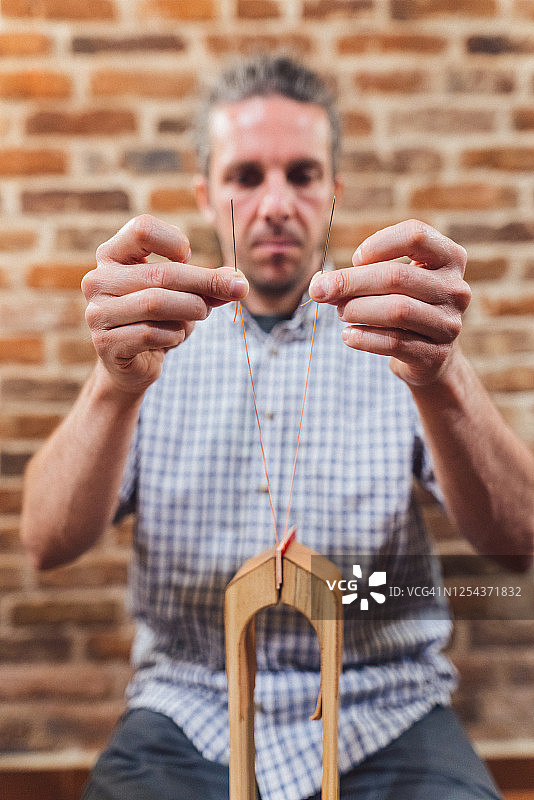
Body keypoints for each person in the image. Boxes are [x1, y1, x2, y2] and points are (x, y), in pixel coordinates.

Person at [21, 55, 534, 800]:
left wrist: (443, 375)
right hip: (188, 709)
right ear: (205, 193)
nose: (275, 203)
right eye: (246, 176)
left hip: (386, 706)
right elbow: (46, 541)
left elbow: (518, 542)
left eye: (301, 174)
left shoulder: (400, 340)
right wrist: (114, 385)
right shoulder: (148, 346)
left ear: (333, 193)